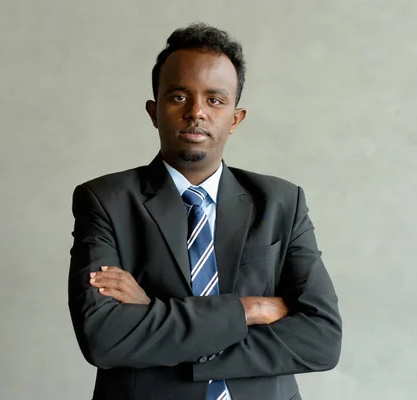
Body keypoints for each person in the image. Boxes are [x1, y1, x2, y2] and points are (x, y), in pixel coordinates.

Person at [67, 22, 342, 400]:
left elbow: (322, 339)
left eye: (215, 100)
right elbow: (105, 338)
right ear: (153, 111)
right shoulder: (105, 200)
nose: (196, 112)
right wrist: (248, 310)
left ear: (236, 118)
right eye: (179, 97)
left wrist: (155, 315)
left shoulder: (281, 202)